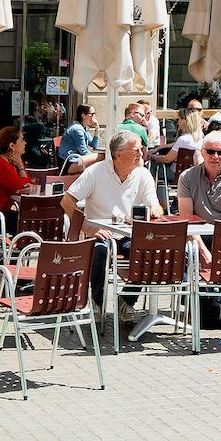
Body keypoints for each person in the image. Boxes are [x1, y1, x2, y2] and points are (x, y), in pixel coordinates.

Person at [61, 131, 162, 320]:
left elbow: (154, 204)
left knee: (147, 251)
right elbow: (67, 201)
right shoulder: (96, 171)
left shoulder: (142, 174)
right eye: (137, 149)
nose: (142, 153)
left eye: (141, 149)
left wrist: (156, 209)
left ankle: (127, 300)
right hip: (100, 234)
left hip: (129, 235)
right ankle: (97, 303)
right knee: (100, 251)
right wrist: (88, 228)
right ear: (119, 154)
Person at [175, 131, 221, 325]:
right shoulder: (187, 177)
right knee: (185, 253)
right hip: (195, 233)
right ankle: (187, 305)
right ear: (202, 152)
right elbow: (186, 219)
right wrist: (205, 252)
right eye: (211, 151)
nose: (215, 157)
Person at [58, 104, 101, 174]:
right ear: (83, 115)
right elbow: (83, 151)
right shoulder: (77, 129)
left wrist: (97, 128)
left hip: (76, 160)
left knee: (101, 157)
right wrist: (94, 157)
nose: (94, 117)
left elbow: (94, 144)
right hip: (69, 163)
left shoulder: (83, 128)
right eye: (92, 114)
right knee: (102, 157)